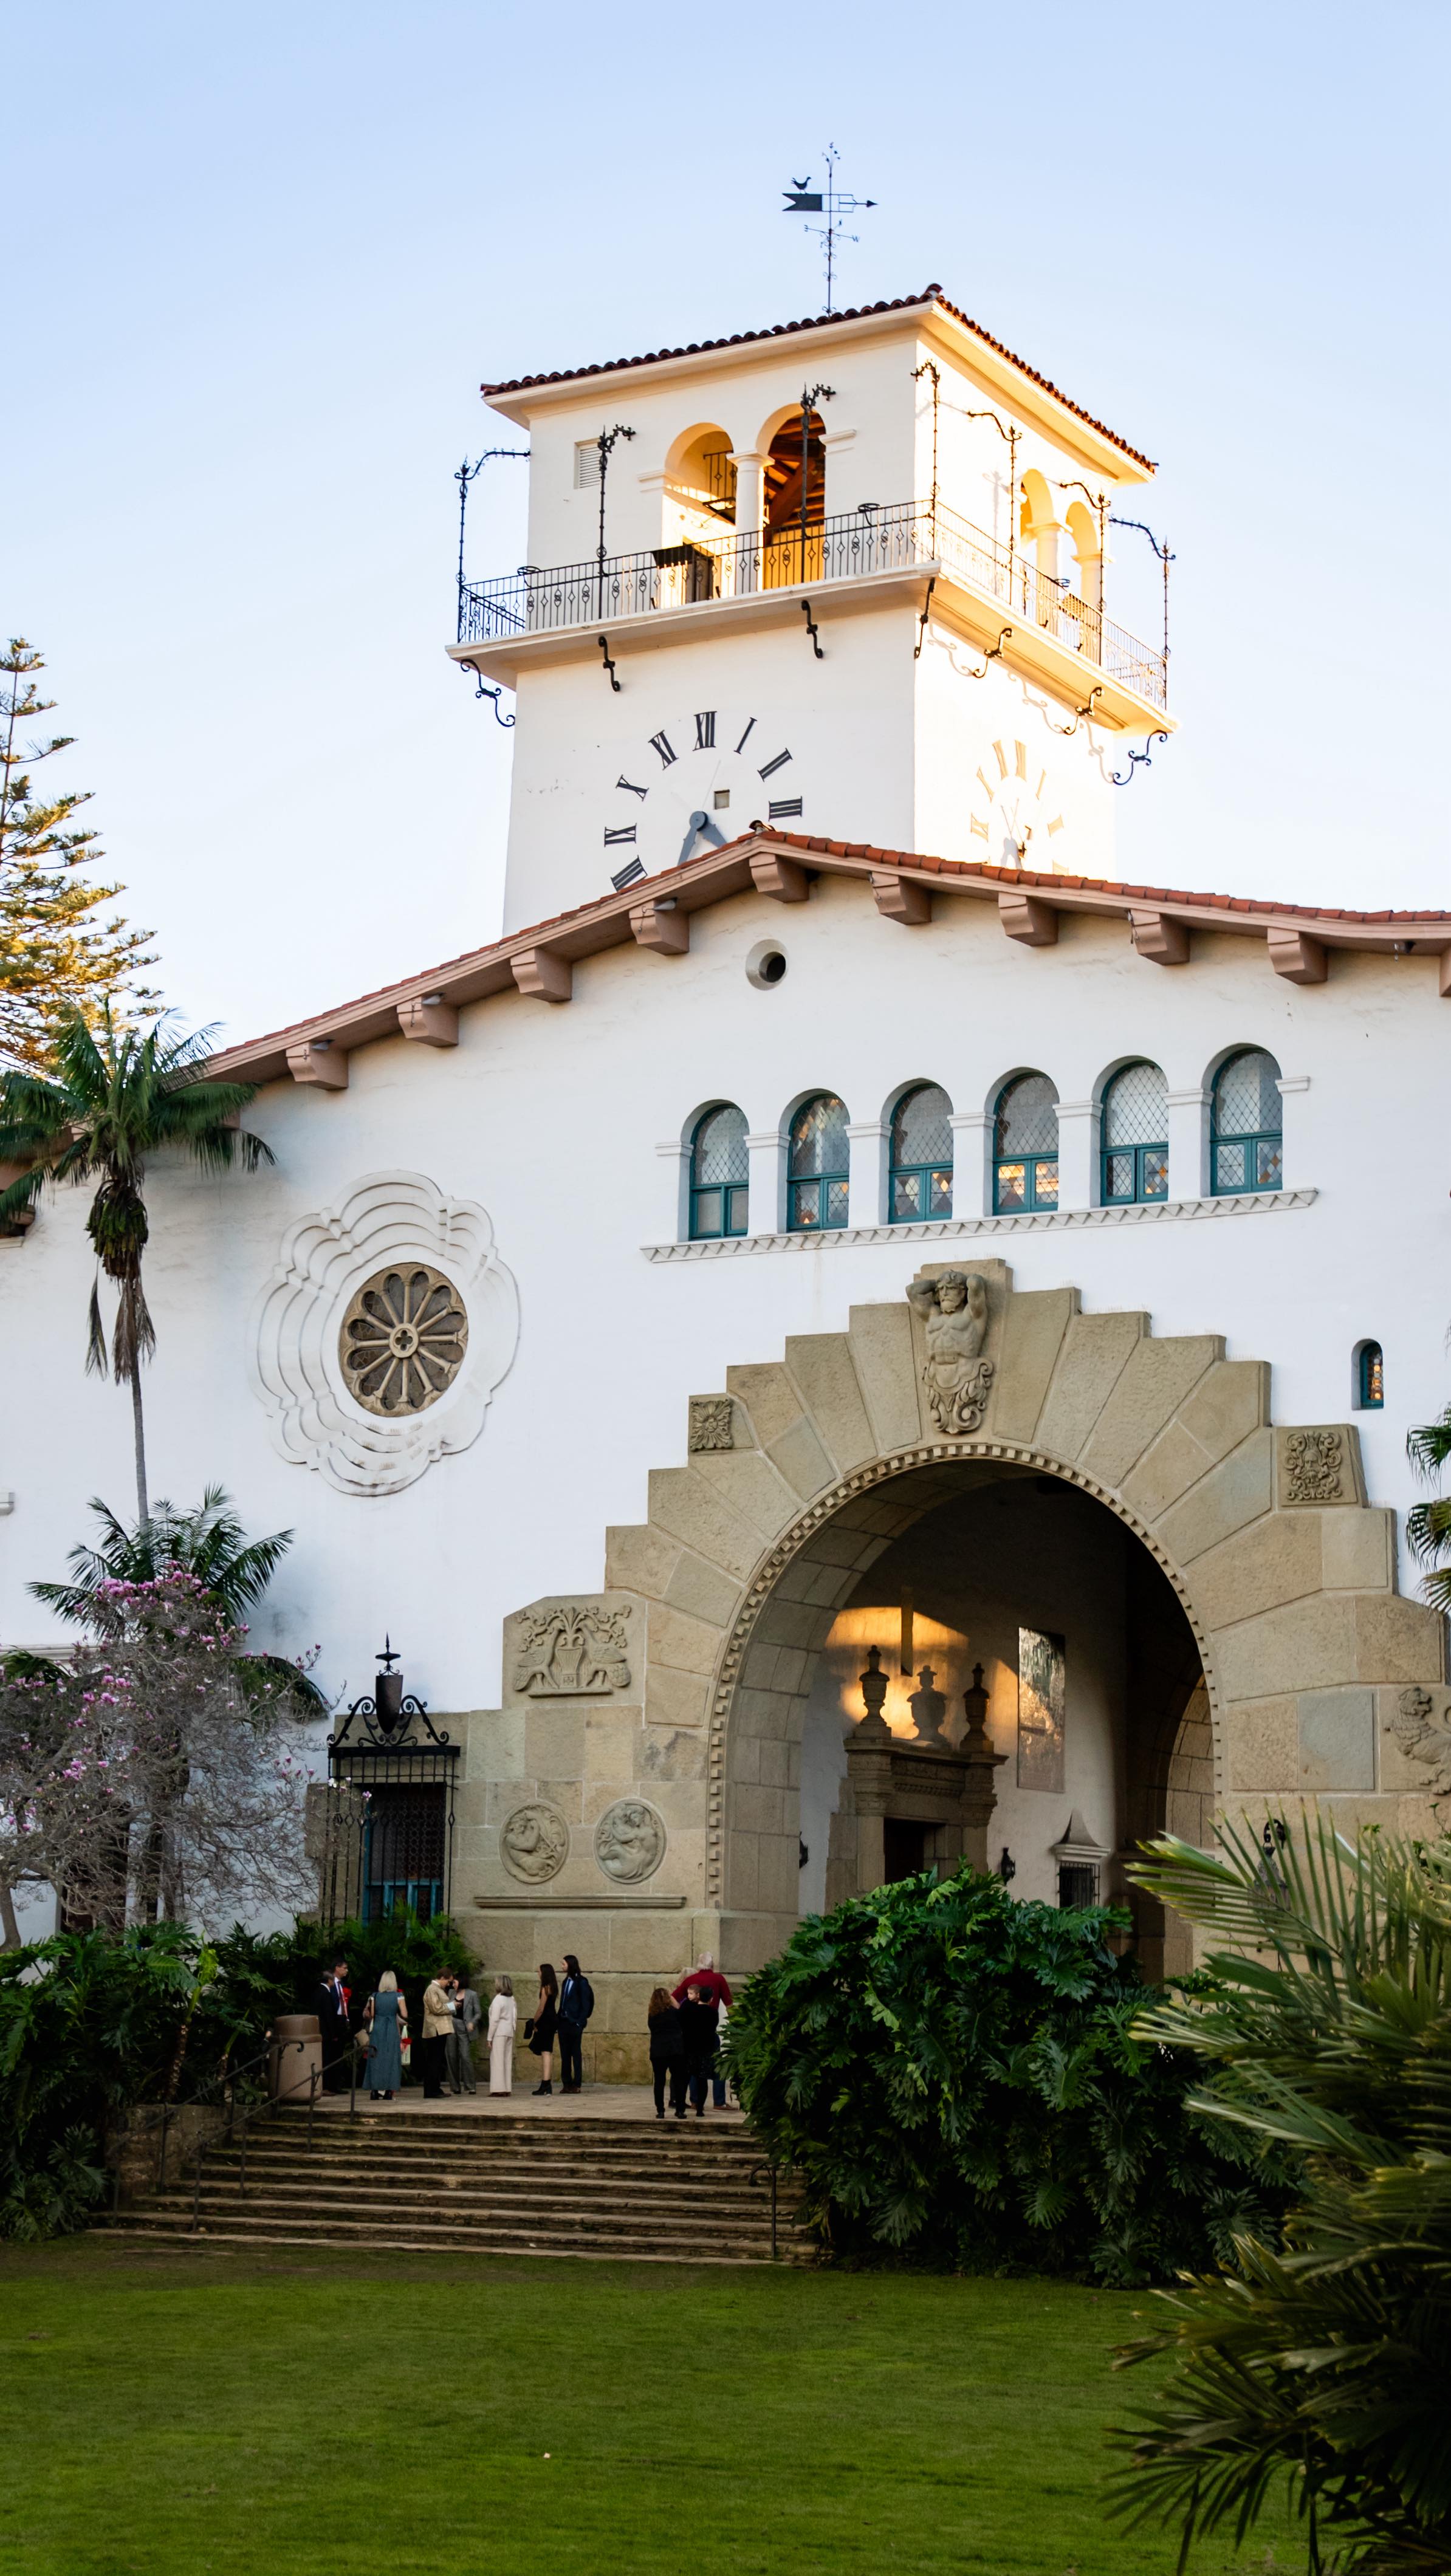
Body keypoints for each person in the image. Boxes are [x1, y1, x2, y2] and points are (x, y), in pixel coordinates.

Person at [672, 1953, 733, 2109]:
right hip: (709, 2031)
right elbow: (729, 2004)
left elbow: (673, 1997)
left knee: (694, 2067)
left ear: (699, 1965)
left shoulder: (691, 1980)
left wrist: (681, 2012)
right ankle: (719, 2102)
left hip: (693, 2033)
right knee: (718, 2065)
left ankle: (695, 2100)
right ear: (712, 1965)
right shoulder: (719, 1979)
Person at [362, 1968, 406, 2103]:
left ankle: (374, 2091)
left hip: (378, 2028)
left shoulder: (374, 1996)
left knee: (376, 2058)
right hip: (392, 2027)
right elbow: (405, 2014)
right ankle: (388, 2091)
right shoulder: (399, 1996)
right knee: (391, 2058)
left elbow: (372, 2014)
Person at [678, 1981, 721, 2119]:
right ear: (711, 1999)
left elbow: (682, 2023)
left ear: (699, 1996)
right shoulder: (713, 2013)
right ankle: (700, 2109)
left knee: (685, 2079)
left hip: (689, 2048)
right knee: (702, 2079)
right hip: (705, 2050)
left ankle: (681, 2108)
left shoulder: (689, 2009)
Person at [647, 1985, 686, 2120]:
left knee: (659, 2082)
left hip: (658, 2051)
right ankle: (680, 2110)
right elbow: (682, 2020)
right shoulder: (674, 2013)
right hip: (675, 2050)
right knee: (679, 2080)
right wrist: (675, 2003)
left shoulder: (652, 2015)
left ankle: (660, 2110)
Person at [557, 1953, 594, 2095]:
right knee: (565, 2055)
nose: (562, 1967)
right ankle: (566, 2082)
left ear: (570, 1965)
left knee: (575, 2054)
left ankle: (577, 2083)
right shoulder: (566, 1982)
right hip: (564, 2023)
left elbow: (586, 2004)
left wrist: (580, 2022)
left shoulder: (582, 1982)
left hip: (575, 2023)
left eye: (564, 1964)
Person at [315, 1956, 352, 2091]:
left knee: (339, 2054)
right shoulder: (329, 1987)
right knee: (330, 2054)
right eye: (345, 1968)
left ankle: (336, 2084)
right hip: (332, 2022)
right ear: (337, 1968)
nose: (346, 1971)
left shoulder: (341, 1984)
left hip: (341, 2020)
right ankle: (329, 2084)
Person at [420, 1971, 455, 2100]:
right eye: (448, 1981)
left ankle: (435, 2088)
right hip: (435, 2029)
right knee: (434, 2060)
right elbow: (436, 2008)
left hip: (440, 2029)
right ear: (442, 1978)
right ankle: (431, 2090)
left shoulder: (437, 1989)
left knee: (437, 2060)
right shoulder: (432, 1989)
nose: (449, 1984)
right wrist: (452, 2007)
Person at [526, 1962, 559, 2095]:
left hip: (545, 2021)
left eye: (539, 1971)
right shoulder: (554, 1987)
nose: (538, 1974)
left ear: (544, 1973)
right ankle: (546, 2084)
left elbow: (541, 2009)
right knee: (548, 2052)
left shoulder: (545, 1988)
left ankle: (545, 2084)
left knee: (545, 2052)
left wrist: (534, 2022)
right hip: (553, 2020)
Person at [448, 1972, 482, 2095]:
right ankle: (455, 2086)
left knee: (465, 2056)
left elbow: (478, 2012)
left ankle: (470, 2086)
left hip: (464, 2027)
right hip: (452, 2027)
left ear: (461, 1981)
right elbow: (447, 2009)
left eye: (455, 1982)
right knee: (452, 2056)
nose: (453, 1984)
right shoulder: (451, 1993)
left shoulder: (472, 1995)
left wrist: (473, 2022)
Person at [487, 1975, 517, 2097]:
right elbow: (515, 2016)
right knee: (506, 2060)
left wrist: (489, 2037)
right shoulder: (512, 1999)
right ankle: (507, 2088)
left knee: (497, 2061)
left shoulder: (498, 1999)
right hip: (509, 2031)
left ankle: (498, 2089)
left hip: (499, 2032)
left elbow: (494, 2020)